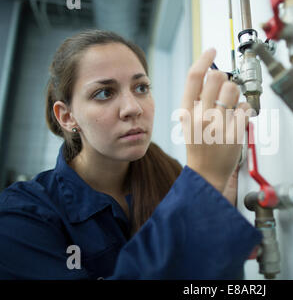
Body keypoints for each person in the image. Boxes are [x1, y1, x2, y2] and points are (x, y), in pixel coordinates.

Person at [0, 29, 261, 279]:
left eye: (141, 88)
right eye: (104, 93)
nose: (133, 108)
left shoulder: (171, 175)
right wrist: (203, 183)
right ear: (67, 117)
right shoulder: (21, 217)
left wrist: (214, 211)